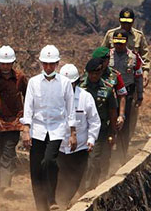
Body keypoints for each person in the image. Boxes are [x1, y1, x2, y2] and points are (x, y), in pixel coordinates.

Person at [21, 45, 77, 211]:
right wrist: (25, 130)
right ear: (41, 63)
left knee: (49, 161)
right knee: (35, 168)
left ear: (57, 64)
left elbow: (70, 109)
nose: (48, 67)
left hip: (56, 128)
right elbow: (28, 108)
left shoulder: (66, 84)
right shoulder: (33, 82)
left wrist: (72, 133)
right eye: (45, 63)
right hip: (37, 128)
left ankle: (52, 198)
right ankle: (40, 206)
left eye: (52, 64)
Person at [0, 45, 28, 196]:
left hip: (14, 122)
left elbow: (29, 96)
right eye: (3, 63)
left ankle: (5, 185)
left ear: (13, 63)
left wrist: (26, 118)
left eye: (8, 63)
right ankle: (0, 180)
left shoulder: (20, 78)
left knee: (8, 153)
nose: (6, 66)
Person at [56, 64, 101, 208]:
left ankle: (63, 202)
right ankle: (56, 201)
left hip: (80, 147)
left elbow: (94, 120)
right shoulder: (53, 98)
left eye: (71, 84)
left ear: (77, 82)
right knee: (58, 175)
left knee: (74, 177)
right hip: (59, 145)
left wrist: (91, 139)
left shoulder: (85, 98)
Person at [79, 58, 118, 191]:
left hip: (99, 131)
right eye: (91, 73)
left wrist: (113, 132)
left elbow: (113, 112)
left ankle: (90, 188)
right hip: (80, 129)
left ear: (101, 73)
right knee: (80, 160)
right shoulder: (79, 87)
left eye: (97, 73)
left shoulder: (107, 89)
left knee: (94, 160)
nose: (94, 76)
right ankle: (78, 187)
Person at [109, 29, 144, 163]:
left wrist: (139, 95)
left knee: (124, 124)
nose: (118, 46)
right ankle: (108, 155)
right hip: (110, 94)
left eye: (121, 43)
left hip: (127, 95)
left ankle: (121, 156)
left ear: (126, 42)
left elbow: (139, 77)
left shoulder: (134, 57)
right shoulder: (108, 55)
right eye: (116, 43)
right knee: (109, 123)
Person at [102, 7, 150, 87]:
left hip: (131, 79)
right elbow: (102, 54)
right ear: (119, 20)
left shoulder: (138, 36)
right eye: (123, 22)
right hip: (112, 77)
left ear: (133, 21)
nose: (126, 25)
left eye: (129, 23)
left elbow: (145, 57)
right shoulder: (110, 34)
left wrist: (145, 73)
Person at [91, 46, 127, 130]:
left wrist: (121, 115)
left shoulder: (115, 75)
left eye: (102, 61)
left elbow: (122, 95)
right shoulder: (89, 73)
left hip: (109, 114)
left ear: (107, 60)